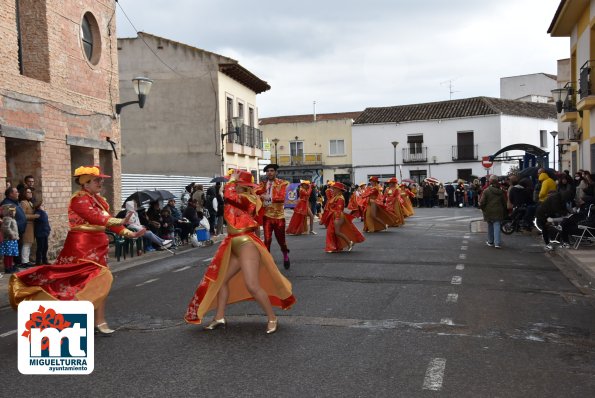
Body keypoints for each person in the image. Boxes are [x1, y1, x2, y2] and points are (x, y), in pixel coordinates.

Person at [8, 165, 145, 334]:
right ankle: (65, 318)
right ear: (86, 184)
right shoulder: (79, 199)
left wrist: (129, 233)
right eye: (97, 180)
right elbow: (95, 218)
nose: (101, 182)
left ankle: (99, 321)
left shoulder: (99, 200)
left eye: (101, 179)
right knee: (78, 281)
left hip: (98, 245)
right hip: (81, 246)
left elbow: (107, 221)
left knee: (100, 282)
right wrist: (120, 221)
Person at [184, 170, 296, 333]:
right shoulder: (238, 198)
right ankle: (220, 317)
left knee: (252, 285)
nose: (232, 185)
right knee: (221, 281)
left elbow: (231, 197)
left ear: (241, 185)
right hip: (233, 243)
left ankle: (272, 317)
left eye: (235, 183)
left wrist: (231, 183)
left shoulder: (249, 198)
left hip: (246, 244)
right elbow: (229, 202)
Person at [256, 164, 291, 269]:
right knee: (267, 239)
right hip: (267, 216)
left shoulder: (283, 183)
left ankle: (285, 255)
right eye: (268, 171)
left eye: (271, 171)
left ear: (275, 172)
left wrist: (269, 198)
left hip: (279, 217)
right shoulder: (262, 184)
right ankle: (268, 261)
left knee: (282, 241)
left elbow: (281, 198)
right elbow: (253, 192)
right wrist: (260, 196)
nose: (269, 173)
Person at [324, 182, 365, 253]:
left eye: (335, 188)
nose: (333, 189)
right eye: (333, 188)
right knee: (331, 232)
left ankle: (349, 243)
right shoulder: (336, 197)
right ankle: (334, 247)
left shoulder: (340, 198)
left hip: (338, 216)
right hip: (334, 216)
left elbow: (339, 210)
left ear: (339, 190)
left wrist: (336, 219)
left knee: (336, 232)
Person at [479, 175, 507, 249]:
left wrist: (483, 208)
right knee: (497, 225)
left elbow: (482, 202)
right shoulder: (500, 191)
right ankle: (497, 243)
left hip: (489, 211)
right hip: (498, 211)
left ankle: (490, 241)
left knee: (490, 226)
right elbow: (504, 202)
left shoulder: (486, 191)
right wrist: (505, 210)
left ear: (490, 181)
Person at [1, 187, 26, 266]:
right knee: (10, 251)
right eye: (16, 192)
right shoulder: (7, 204)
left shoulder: (15, 202)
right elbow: (7, 217)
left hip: (17, 230)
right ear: (11, 194)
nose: (18, 193)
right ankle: (13, 265)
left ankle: (16, 263)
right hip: (12, 232)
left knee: (16, 248)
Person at [19, 187, 39, 267]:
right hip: (27, 225)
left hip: (31, 226)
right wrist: (34, 216)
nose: (30, 193)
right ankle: (24, 261)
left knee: (29, 243)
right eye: (28, 192)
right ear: (24, 193)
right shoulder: (23, 203)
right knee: (26, 243)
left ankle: (27, 260)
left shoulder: (29, 202)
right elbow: (22, 215)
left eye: (30, 192)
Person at [1, 204, 19, 274]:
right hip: (8, 239)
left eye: (14, 211)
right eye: (12, 211)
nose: (14, 212)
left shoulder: (12, 218)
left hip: (12, 239)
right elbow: (5, 228)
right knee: (8, 255)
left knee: (11, 254)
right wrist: (11, 234)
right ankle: (7, 268)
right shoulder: (7, 218)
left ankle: (10, 266)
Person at [33, 201, 51, 265]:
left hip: (45, 232)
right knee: (40, 247)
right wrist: (43, 212)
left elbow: (46, 222)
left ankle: (44, 260)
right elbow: (41, 220)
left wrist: (48, 229)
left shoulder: (43, 212)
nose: (43, 206)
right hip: (40, 233)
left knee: (45, 247)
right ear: (39, 206)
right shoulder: (38, 213)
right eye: (42, 205)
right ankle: (38, 261)